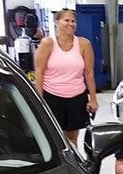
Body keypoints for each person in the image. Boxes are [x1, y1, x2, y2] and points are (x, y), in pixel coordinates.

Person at [34, 8, 98, 145]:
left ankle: (74, 165)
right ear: (56, 22)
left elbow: (89, 73)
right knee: (55, 138)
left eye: (73, 21)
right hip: (52, 96)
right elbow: (39, 73)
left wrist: (93, 98)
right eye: (66, 20)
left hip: (76, 97)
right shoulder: (47, 44)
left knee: (72, 138)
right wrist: (39, 100)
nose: (70, 24)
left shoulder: (84, 44)